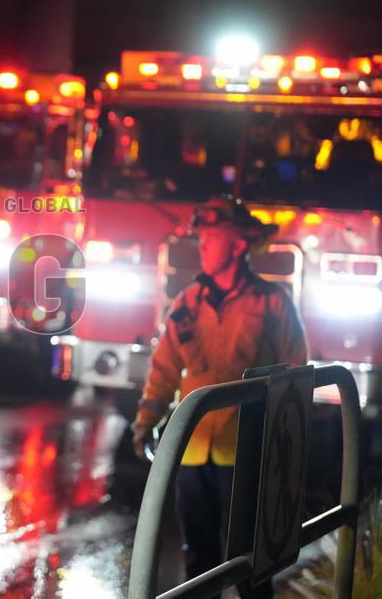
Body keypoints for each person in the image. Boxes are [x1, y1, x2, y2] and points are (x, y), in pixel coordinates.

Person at [131, 195, 308, 599]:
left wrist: (288, 450)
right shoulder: (188, 303)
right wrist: (146, 421)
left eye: (212, 236)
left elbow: (295, 376)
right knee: (199, 562)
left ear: (238, 243)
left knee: (251, 563)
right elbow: (163, 369)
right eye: (203, 236)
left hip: (247, 453)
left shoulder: (272, 303)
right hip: (193, 453)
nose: (203, 244)